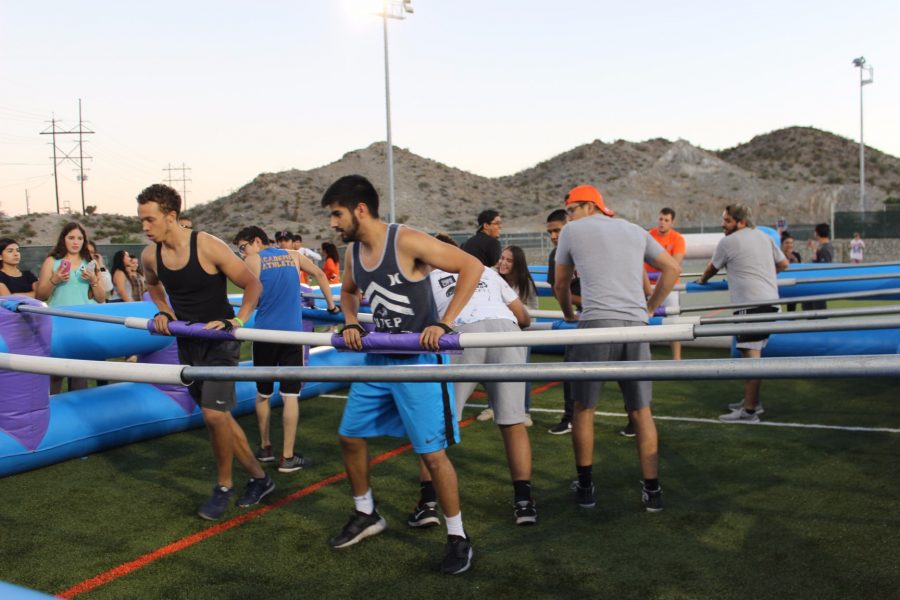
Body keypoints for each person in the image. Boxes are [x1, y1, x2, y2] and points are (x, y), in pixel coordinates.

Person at [321, 174, 482, 575]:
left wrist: (445, 323)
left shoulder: (406, 240)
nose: (332, 224)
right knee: (349, 436)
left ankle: (458, 536)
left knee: (431, 453)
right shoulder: (353, 254)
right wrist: (351, 321)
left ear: (360, 209)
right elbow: (347, 291)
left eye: (336, 214)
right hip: (378, 362)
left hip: (419, 365)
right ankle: (366, 513)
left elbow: (471, 266)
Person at [137, 183, 273, 521]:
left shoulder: (208, 246)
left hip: (220, 342)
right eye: (141, 220)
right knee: (220, 417)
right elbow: (152, 284)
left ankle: (223, 486)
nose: (144, 227)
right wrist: (164, 310)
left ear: (171, 217)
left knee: (213, 415)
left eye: (150, 220)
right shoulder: (150, 255)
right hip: (188, 342)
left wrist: (237, 319)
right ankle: (260, 478)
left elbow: (253, 284)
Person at [553, 184, 679, 513]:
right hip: (636, 327)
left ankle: (585, 487)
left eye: (571, 209)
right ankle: (652, 491)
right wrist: (649, 310)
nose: (568, 216)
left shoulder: (572, 231)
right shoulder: (635, 230)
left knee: (583, 408)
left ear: (588, 206)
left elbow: (561, 284)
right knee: (641, 411)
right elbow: (672, 269)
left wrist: (568, 314)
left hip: (596, 324)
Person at [421, 233, 535, 525]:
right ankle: (524, 503)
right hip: (506, 333)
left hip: (462, 335)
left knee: (441, 422)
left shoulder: (427, 278)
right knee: (513, 421)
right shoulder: (486, 271)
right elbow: (524, 318)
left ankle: (428, 501)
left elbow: (422, 323)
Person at [233, 225, 338, 472]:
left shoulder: (253, 260)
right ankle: (287, 457)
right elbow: (321, 276)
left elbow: (251, 298)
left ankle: (266, 447)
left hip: (264, 335)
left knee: (264, 394)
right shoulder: (293, 255)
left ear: (256, 241)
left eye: (243, 247)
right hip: (291, 335)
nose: (241, 253)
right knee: (290, 396)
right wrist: (332, 307)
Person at [697, 203, 789, 423]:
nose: (723, 224)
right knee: (752, 355)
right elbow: (784, 263)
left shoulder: (728, 242)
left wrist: (701, 281)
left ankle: (749, 412)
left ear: (741, 222)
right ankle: (751, 401)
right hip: (770, 303)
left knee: (751, 357)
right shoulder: (763, 237)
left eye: (727, 220)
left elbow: (711, 268)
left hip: (751, 305)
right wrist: (762, 272)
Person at [35, 222, 108, 394]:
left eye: (80, 238)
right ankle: (52, 414)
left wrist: (94, 280)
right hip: (58, 323)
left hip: (83, 323)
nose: (76, 242)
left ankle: (77, 413)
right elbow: (40, 296)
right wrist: (55, 279)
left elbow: (101, 297)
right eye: (71, 238)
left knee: (79, 374)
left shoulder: (90, 262)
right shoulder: (52, 261)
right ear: (63, 239)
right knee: (55, 374)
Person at [491, 244, 537, 427]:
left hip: (520, 334)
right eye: (502, 258)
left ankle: (525, 411)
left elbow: (534, 310)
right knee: (492, 370)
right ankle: (491, 407)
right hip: (497, 333)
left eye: (509, 260)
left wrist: (519, 317)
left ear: (517, 263)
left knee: (521, 372)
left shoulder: (525, 282)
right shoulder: (492, 278)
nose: (503, 262)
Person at [545, 209, 580, 436]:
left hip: (606, 312)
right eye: (550, 232)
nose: (554, 236)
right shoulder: (554, 256)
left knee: (622, 370)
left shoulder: (588, 248)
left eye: (557, 230)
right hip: (581, 316)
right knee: (571, 367)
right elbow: (559, 291)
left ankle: (633, 417)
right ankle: (570, 418)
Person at [645, 208, 686, 361]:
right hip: (649, 285)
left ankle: (677, 359)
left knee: (674, 321)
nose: (662, 223)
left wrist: (659, 265)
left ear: (672, 222)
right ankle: (643, 357)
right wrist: (663, 265)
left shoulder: (678, 239)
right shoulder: (649, 236)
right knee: (643, 319)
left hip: (670, 286)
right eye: (661, 219)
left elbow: (676, 264)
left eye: (666, 220)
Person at [803, 223, 833, 311]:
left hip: (818, 284)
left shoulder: (825, 248)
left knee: (817, 309)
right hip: (815, 284)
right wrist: (814, 249)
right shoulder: (824, 247)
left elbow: (823, 266)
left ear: (817, 233)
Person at [780, 232, 802, 312]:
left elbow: (799, 269)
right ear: (782, 244)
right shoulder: (778, 255)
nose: (790, 245)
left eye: (791, 243)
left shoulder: (796, 255)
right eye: (787, 243)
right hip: (780, 282)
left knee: (792, 307)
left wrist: (794, 260)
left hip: (792, 283)